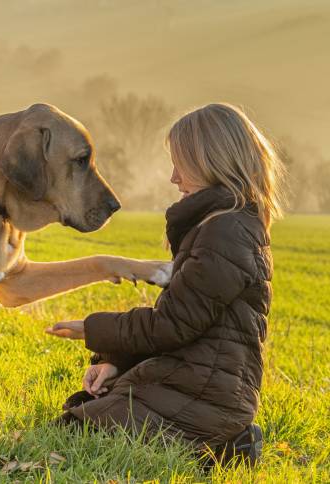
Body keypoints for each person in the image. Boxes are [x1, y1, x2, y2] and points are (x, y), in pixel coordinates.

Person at [45, 103, 285, 467]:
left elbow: (170, 325)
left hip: (209, 396)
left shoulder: (227, 232)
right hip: (196, 381)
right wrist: (114, 363)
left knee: (77, 427)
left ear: (211, 161)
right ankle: (222, 441)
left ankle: (228, 446)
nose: (174, 177)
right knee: (84, 410)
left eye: (181, 163)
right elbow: (181, 323)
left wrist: (91, 329)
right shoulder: (222, 225)